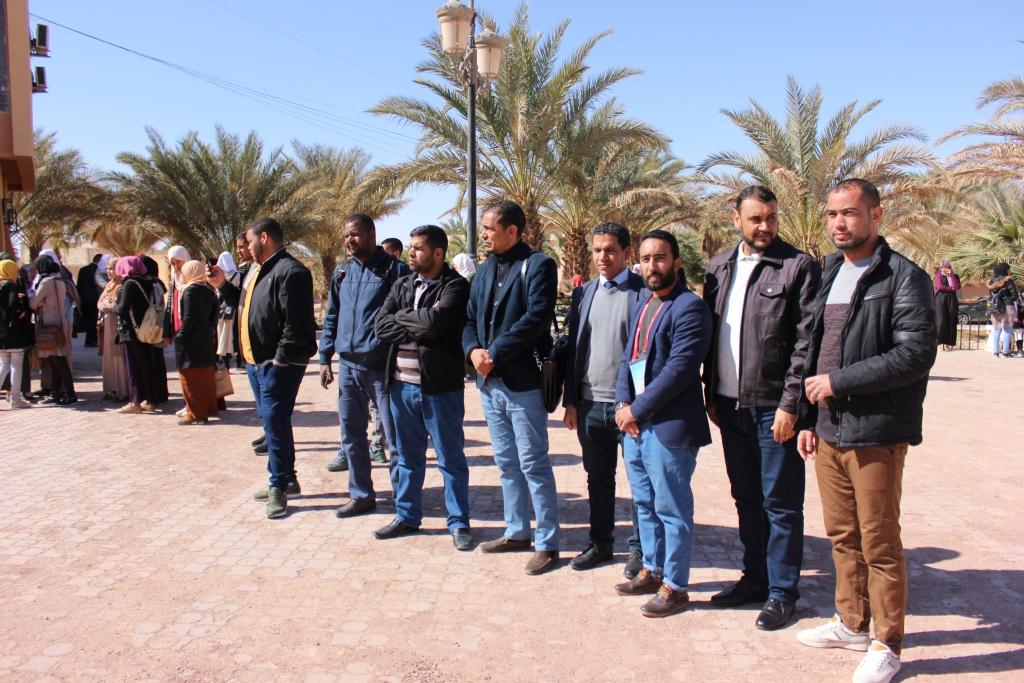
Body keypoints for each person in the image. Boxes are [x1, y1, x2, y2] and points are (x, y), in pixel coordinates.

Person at [794, 179, 936, 683]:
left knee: (879, 542)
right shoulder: (831, 270)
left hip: (876, 431)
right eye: (833, 214)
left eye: (850, 213)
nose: (839, 223)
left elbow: (914, 354)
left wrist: (838, 382)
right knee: (842, 535)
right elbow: (814, 348)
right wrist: (808, 417)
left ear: (876, 216)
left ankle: (886, 644)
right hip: (830, 428)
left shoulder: (904, 277)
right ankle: (852, 622)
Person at [701, 185, 821, 631]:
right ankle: (755, 579)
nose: (765, 226)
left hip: (774, 408)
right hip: (729, 406)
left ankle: (782, 592)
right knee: (746, 498)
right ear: (737, 219)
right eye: (755, 219)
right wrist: (710, 393)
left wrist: (792, 404)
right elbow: (709, 334)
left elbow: (806, 343)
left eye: (771, 217)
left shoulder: (797, 266)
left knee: (781, 504)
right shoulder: (719, 267)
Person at [612, 230, 711, 618]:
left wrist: (636, 410)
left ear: (676, 262)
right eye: (646, 258)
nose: (652, 266)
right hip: (636, 425)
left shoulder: (690, 307)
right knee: (644, 503)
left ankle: (676, 586)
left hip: (669, 427)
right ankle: (652, 570)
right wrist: (623, 403)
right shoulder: (644, 302)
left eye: (660, 258)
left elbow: (679, 371)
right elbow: (628, 357)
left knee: (672, 508)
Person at [462, 200, 561, 576]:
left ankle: (547, 542)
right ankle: (517, 531)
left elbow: (536, 318)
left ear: (512, 231)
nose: (484, 235)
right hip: (490, 384)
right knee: (506, 462)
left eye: (489, 228)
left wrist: (495, 353)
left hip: (522, 384)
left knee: (533, 463)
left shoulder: (537, 265)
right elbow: (469, 319)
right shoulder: (485, 269)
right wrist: (473, 351)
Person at [372, 225, 473, 550]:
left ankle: (458, 523)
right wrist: (417, 320)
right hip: (400, 387)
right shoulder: (402, 284)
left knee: (450, 459)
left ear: (438, 253)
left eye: (418, 248)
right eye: (411, 247)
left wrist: (409, 320)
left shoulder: (455, 286)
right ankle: (407, 516)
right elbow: (380, 325)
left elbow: (434, 324)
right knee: (406, 456)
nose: (411, 253)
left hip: (440, 388)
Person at [212, 217, 317, 519]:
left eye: (249, 241)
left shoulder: (291, 272)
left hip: (277, 364)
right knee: (274, 422)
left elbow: (296, 324)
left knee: (274, 420)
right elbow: (245, 305)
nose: (245, 247)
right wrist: (222, 285)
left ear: (264, 238)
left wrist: (280, 359)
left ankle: (278, 486)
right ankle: (288, 478)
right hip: (256, 362)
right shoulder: (255, 271)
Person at [561, 222, 645, 575]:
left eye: (610, 250)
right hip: (590, 404)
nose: (602, 257)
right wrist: (571, 401)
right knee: (598, 478)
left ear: (626, 252)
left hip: (631, 408)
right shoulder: (584, 293)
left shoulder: (643, 292)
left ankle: (641, 549)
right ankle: (601, 544)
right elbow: (574, 349)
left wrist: (638, 404)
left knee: (641, 482)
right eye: (597, 250)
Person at [318, 214, 409, 517]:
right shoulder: (342, 272)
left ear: (371, 234)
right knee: (351, 435)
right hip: (348, 367)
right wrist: (325, 357)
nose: (349, 240)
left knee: (395, 439)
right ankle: (361, 495)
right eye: (346, 236)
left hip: (383, 369)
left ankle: (404, 502)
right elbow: (332, 316)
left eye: (354, 234)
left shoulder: (395, 270)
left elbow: (406, 316)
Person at [114, 256, 162, 414]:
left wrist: (113, 306)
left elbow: (122, 309)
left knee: (133, 367)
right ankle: (150, 399)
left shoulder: (129, 284)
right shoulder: (148, 282)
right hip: (145, 329)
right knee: (146, 365)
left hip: (131, 331)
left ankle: (135, 402)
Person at [175, 260, 220, 425]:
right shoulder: (210, 290)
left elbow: (189, 318)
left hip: (191, 340)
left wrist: (180, 335)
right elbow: (214, 317)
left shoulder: (190, 291)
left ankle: (195, 413)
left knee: (190, 377)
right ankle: (204, 411)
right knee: (204, 376)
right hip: (206, 339)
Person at [0, 258, 34, 408]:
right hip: (14, 334)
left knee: (3, 365)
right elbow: (15, 305)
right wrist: (23, 311)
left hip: (1, 334)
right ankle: (15, 400)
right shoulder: (13, 287)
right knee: (16, 365)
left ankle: (14, 399)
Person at [97, 256, 130, 401]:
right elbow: (100, 303)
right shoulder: (110, 285)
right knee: (109, 356)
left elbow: (117, 305)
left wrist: (107, 306)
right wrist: (105, 306)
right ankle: (111, 387)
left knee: (119, 355)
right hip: (107, 324)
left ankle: (122, 390)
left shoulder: (123, 285)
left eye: (111, 268)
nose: (108, 272)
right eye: (107, 269)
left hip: (117, 324)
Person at [141, 255, 170, 405]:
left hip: (154, 326)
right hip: (158, 324)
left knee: (154, 360)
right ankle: (161, 392)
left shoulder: (152, 284)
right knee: (157, 359)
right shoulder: (157, 283)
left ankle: (157, 393)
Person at [215, 251, 241, 367]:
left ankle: (226, 364)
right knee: (234, 336)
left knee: (223, 338)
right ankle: (239, 361)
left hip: (223, 312)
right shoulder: (237, 275)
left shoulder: (219, 277)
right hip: (234, 311)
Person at [987, 262, 1019, 358]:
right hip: (1007, 307)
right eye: (1008, 269)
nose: (1009, 271)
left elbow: (991, 295)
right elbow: (1014, 295)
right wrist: (1008, 300)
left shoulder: (991, 281)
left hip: (995, 307)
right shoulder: (1008, 280)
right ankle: (1005, 352)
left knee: (996, 329)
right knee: (1007, 329)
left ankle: (995, 352)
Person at [933, 259, 961, 352]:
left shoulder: (955, 276)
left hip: (952, 300)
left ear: (949, 267)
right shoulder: (938, 275)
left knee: (951, 320)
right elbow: (940, 287)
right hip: (941, 299)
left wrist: (951, 276)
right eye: (942, 267)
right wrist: (951, 289)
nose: (943, 269)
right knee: (941, 321)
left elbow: (956, 287)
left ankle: (949, 343)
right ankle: (940, 343)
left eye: (945, 267)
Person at [76, 254, 102, 348]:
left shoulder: (83, 269)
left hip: (84, 300)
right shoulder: (98, 270)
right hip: (95, 299)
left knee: (88, 321)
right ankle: (92, 340)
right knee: (94, 321)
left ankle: (89, 340)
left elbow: (78, 286)